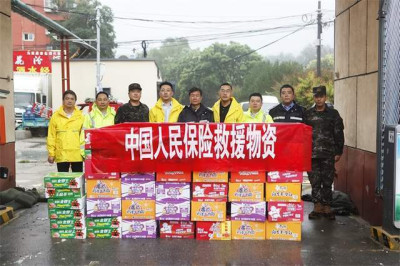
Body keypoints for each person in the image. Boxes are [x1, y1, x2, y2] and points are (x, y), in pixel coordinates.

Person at [304, 86, 345, 220]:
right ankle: (317, 206)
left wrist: (339, 151)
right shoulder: (308, 114)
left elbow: (339, 133)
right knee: (315, 180)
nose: (319, 99)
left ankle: (327, 207)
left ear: (325, 97)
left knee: (327, 180)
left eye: (321, 96)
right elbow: (303, 134)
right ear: (314, 97)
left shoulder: (333, 114)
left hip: (328, 153)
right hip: (312, 153)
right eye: (316, 96)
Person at [47, 90, 84, 172]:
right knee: (62, 181)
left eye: (72, 99)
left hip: (77, 154)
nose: (69, 101)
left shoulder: (81, 116)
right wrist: (51, 153)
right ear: (63, 100)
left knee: (77, 180)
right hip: (62, 154)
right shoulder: (56, 116)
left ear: (75, 101)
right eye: (67, 98)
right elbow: (51, 136)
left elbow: (84, 136)